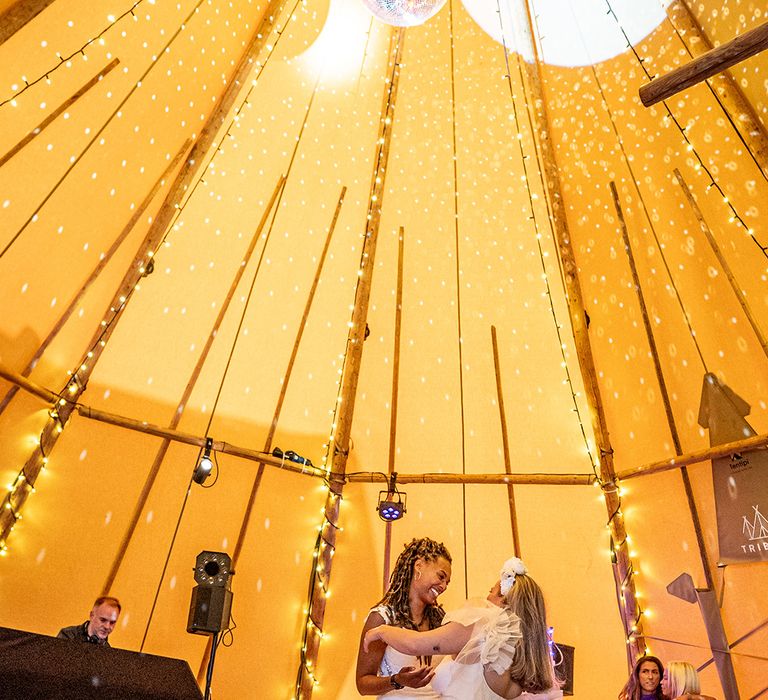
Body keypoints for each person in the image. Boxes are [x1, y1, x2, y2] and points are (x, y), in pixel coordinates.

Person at [364, 556, 563, 700]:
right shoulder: (519, 649)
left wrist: (382, 630)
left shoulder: (484, 626)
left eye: (491, 592)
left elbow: (416, 645)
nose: (487, 598)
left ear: (504, 599)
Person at [356, 537, 452, 697]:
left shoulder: (440, 619)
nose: (443, 586)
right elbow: (363, 684)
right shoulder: (382, 618)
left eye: (447, 583)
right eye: (441, 577)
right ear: (419, 566)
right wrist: (397, 680)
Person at [57, 596, 121, 646]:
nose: (107, 626)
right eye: (103, 620)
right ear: (92, 615)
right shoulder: (68, 635)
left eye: (112, 623)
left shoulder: (108, 651)